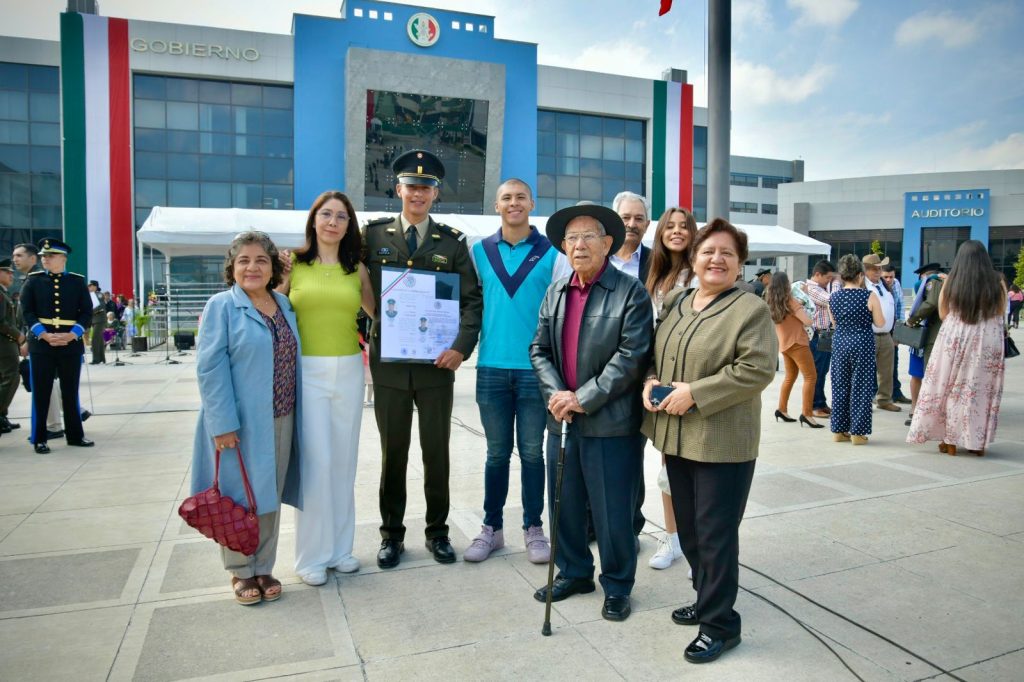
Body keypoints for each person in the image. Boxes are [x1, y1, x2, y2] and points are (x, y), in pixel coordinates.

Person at [641, 218, 777, 664]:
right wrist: (651, 380)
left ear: (740, 265)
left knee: (716, 536)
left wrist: (694, 394)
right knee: (692, 533)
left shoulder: (749, 308)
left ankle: (720, 625)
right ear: (694, 258)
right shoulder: (678, 301)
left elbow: (755, 370)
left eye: (727, 254)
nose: (716, 259)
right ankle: (706, 598)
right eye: (708, 251)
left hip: (722, 441)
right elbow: (655, 353)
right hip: (676, 437)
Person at [530, 203, 652, 622]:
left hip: (610, 423)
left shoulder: (630, 291)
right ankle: (574, 571)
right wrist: (558, 395)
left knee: (612, 511)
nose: (579, 245)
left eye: (588, 236)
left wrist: (583, 396)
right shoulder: (556, 290)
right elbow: (539, 349)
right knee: (564, 501)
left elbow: (632, 355)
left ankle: (617, 585)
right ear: (563, 247)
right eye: (571, 238)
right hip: (562, 419)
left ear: (607, 243)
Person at [362, 149, 483, 569]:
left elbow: (471, 302)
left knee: (437, 453)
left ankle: (437, 532)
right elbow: (347, 280)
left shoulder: (451, 243)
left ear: (436, 195)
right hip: (391, 367)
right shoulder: (372, 237)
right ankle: (391, 535)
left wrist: (461, 348)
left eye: (426, 187)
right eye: (411, 186)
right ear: (398, 189)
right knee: (392, 454)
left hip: (436, 367)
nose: (418, 193)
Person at [192, 231, 302, 605]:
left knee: (268, 494)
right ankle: (240, 570)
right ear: (232, 268)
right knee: (239, 495)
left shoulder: (284, 305)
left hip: (283, 415)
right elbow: (210, 367)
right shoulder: (221, 306)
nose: (252, 267)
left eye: (261, 260)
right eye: (244, 260)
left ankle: (264, 565)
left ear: (273, 268)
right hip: (239, 422)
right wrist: (222, 424)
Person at [277, 191, 375, 585]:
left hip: (350, 369)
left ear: (349, 225)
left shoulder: (358, 270)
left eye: (341, 217)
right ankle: (310, 558)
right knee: (316, 465)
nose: (333, 222)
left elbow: (380, 313)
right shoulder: (292, 265)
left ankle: (340, 549)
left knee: (343, 462)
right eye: (326, 215)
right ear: (314, 220)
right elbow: (271, 312)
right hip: (307, 371)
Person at [463, 179, 559, 564]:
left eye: (521, 197)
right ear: (496, 204)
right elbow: (468, 306)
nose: (514, 203)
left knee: (533, 454)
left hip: (536, 370)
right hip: (491, 367)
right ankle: (492, 528)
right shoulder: (479, 251)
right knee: (497, 454)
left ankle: (533, 528)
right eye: (507, 198)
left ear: (532, 203)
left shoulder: (553, 251)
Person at [908, 241, 1006, 456]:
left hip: (955, 335)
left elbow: (943, 314)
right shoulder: (997, 281)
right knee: (980, 389)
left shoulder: (951, 282)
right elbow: (1000, 310)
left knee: (948, 386)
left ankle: (949, 439)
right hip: (987, 338)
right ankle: (976, 441)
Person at [643, 206, 698, 571]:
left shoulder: (700, 272)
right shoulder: (654, 273)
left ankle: (698, 542)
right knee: (666, 463)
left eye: (684, 227)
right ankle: (672, 536)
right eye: (670, 226)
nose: (676, 231)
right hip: (658, 377)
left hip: (692, 378)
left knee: (694, 465)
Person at [19, 239, 94, 454]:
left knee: (70, 392)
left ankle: (75, 436)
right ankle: (40, 438)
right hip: (43, 345)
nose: (45, 259)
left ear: (63, 258)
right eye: (43, 256)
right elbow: (27, 312)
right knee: (41, 392)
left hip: (70, 344)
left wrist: (73, 334)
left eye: (50, 256)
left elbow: (86, 312)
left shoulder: (77, 282)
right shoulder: (33, 281)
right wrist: (43, 334)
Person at [829, 255, 886, 445]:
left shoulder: (833, 297)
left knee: (840, 386)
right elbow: (880, 323)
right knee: (861, 387)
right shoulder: (869, 296)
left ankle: (839, 430)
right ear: (860, 276)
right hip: (862, 343)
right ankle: (858, 433)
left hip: (840, 343)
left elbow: (835, 323)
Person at [12, 242, 63, 437]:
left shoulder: (38, 281)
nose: (15, 259)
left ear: (32, 258)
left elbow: (37, 314)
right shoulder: (32, 279)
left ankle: (53, 425)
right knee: (47, 380)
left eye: (19, 255)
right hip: (38, 337)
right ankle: (73, 410)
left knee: (44, 381)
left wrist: (28, 340)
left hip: (40, 338)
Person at [765, 271, 821, 427]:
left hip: (784, 344)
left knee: (790, 377)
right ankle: (807, 414)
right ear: (786, 285)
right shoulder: (791, 301)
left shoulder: (772, 302)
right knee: (811, 377)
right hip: (798, 343)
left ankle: (782, 410)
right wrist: (806, 300)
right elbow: (808, 321)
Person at [906, 262, 945, 426]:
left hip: (930, 335)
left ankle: (926, 414)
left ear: (924, 275)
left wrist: (912, 319)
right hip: (927, 335)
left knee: (929, 374)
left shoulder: (932, 282)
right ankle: (918, 409)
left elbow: (930, 304)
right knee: (919, 373)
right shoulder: (942, 282)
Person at [861, 255, 899, 412]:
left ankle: (884, 399)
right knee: (866, 370)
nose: (878, 271)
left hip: (886, 334)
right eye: (874, 269)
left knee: (887, 370)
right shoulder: (862, 286)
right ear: (866, 270)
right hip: (869, 334)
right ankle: (863, 402)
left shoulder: (885, 285)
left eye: (879, 268)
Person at [805, 260, 840, 417]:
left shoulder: (821, 287)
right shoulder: (812, 288)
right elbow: (832, 300)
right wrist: (837, 284)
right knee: (817, 371)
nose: (830, 281)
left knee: (823, 370)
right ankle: (814, 405)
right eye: (828, 278)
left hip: (825, 335)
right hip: (818, 335)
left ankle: (821, 402)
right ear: (817, 274)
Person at [0, 259, 24, 436]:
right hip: (3, 343)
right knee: (11, 378)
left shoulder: (4, 293)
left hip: (6, 342)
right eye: (7, 272)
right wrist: (18, 335)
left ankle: (2, 416)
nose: (11, 275)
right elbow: (1, 322)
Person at [881, 264, 911, 404]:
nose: (888, 279)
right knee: (875, 365)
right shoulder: (875, 286)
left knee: (894, 360)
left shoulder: (896, 284)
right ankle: (877, 393)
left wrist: (898, 332)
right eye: (885, 277)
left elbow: (900, 305)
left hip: (892, 327)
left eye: (891, 277)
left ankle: (896, 392)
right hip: (878, 328)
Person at [610, 191, 652, 281]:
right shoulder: (599, 257)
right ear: (614, 221)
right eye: (625, 217)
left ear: (646, 225)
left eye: (638, 219)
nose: (632, 225)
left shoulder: (656, 262)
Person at [87, 280, 106, 365]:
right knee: (99, 340)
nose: (89, 287)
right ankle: (101, 358)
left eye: (91, 286)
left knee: (95, 339)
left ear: (95, 287)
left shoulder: (98, 294)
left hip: (99, 319)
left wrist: (90, 311)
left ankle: (96, 359)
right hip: (94, 320)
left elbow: (100, 306)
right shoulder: (90, 295)